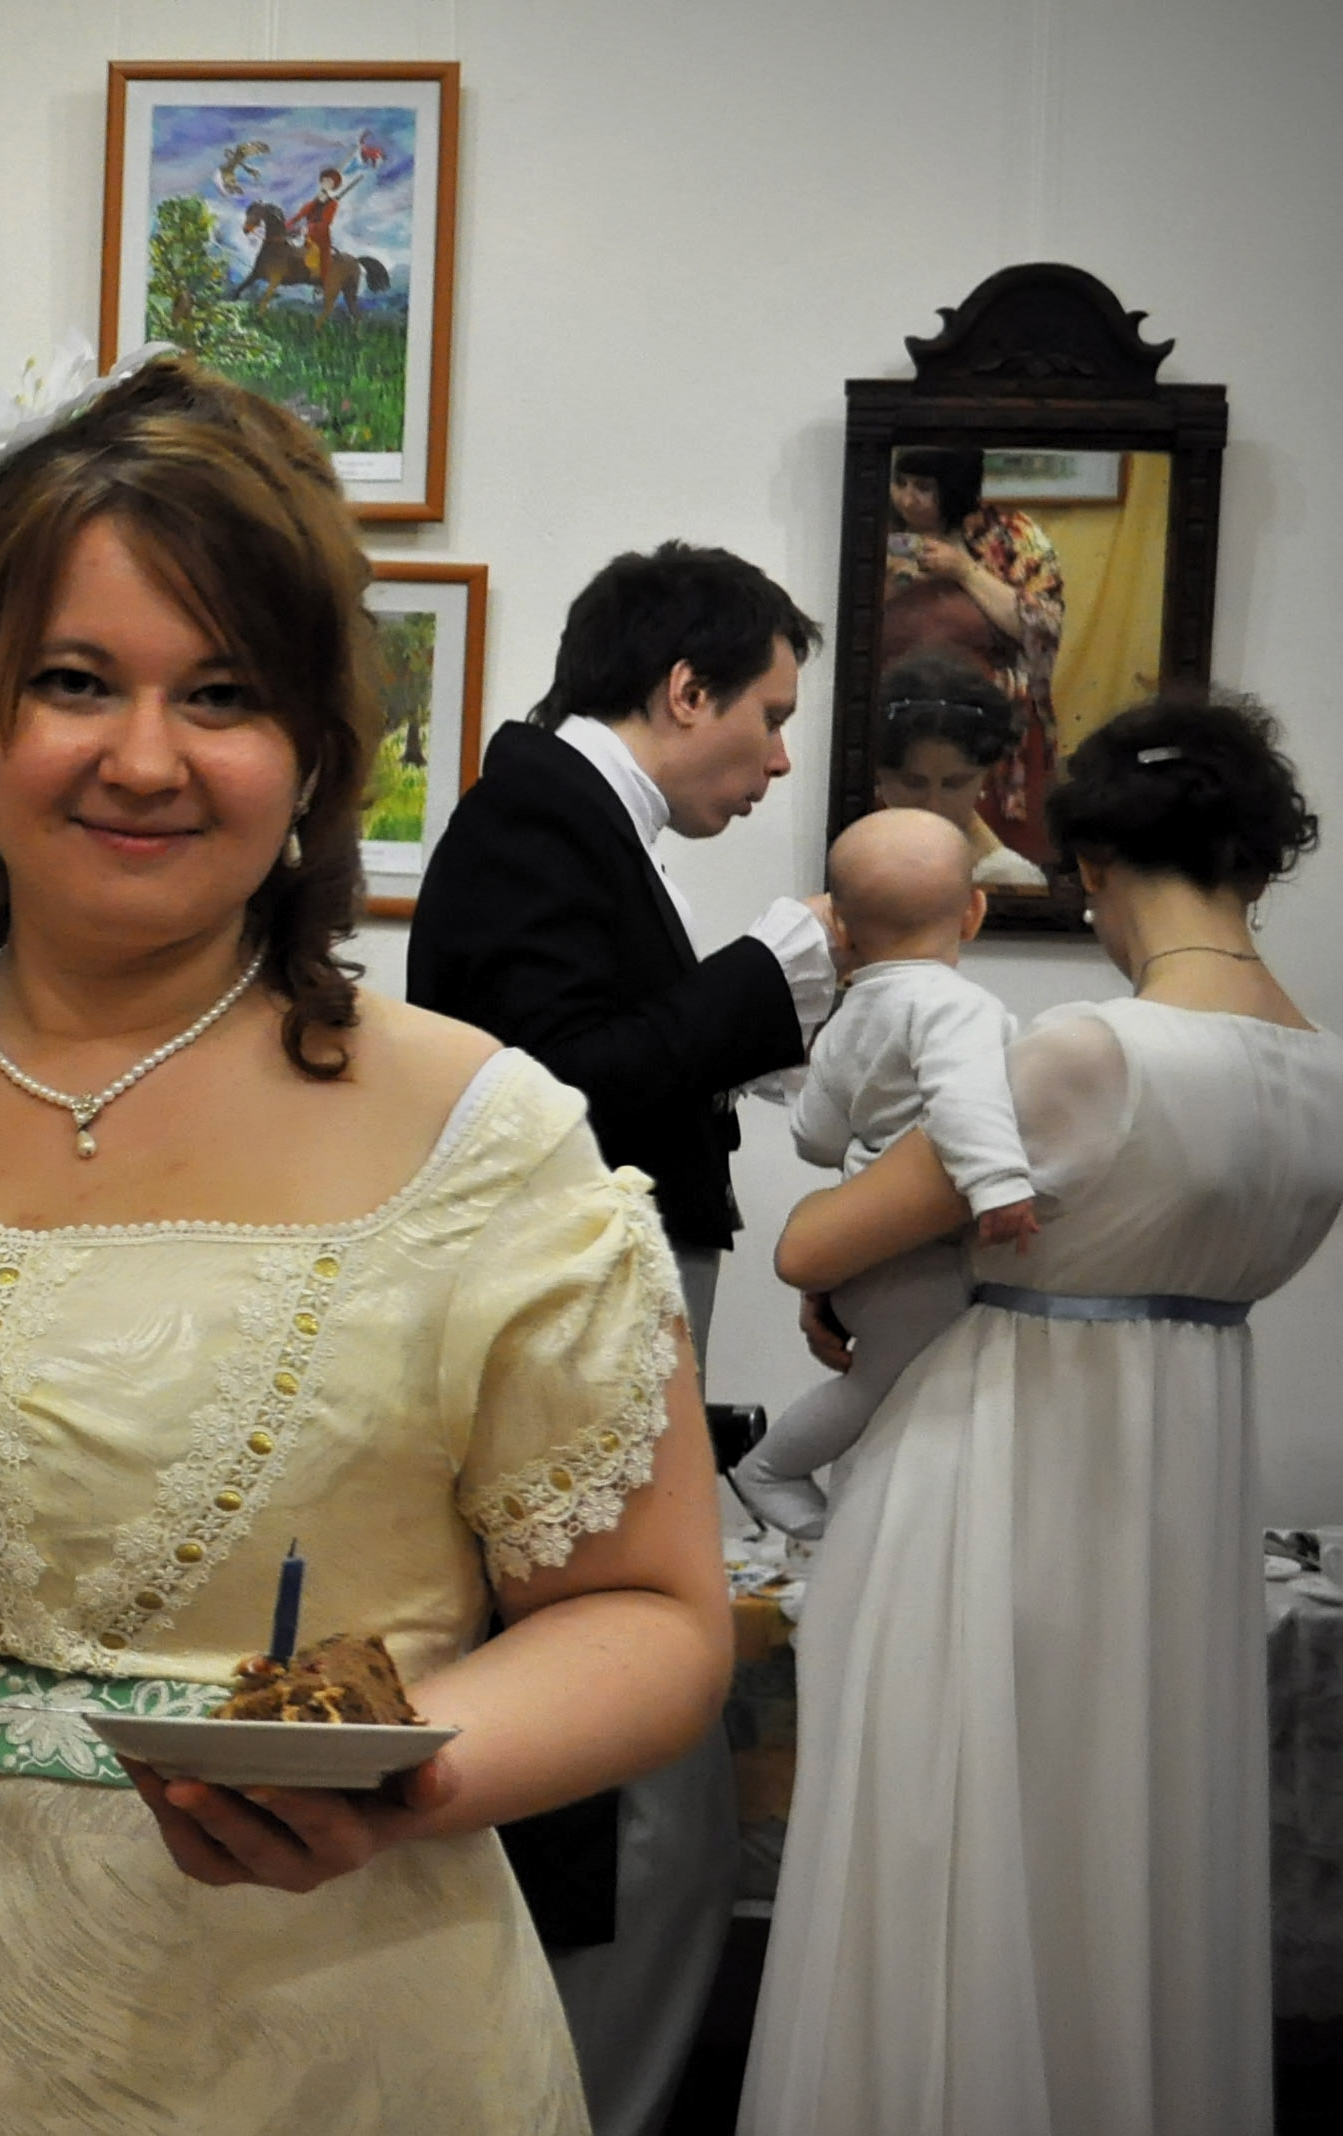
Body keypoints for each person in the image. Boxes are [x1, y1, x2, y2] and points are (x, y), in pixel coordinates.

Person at [0, 353, 733, 2131]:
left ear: (315, 753)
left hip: (320, 2012)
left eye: (224, 694)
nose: (144, 757)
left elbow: (650, 1615)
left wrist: (406, 1781)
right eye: (75, 682)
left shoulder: (477, 1133)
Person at [743, 693, 1342, 2135]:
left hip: (997, 1477)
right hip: (1177, 1496)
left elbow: (814, 1242)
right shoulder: (1327, 1073)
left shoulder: (1088, 1051)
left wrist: (858, 1260)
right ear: (1254, 863)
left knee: (947, 1851)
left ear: (1094, 867)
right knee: (1122, 1843)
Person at [404, 538, 835, 2136]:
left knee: (662, 1776)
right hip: (581, 1331)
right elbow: (553, 1088)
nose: (778, 759)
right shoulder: (535, 811)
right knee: (634, 1760)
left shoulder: (571, 813)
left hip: (618, 1319)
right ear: (684, 688)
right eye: (770, 717)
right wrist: (758, 987)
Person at [725, 809, 1036, 1540]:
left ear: (840, 927)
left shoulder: (846, 1019)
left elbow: (816, 1139)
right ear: (974, 912)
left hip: (865, 1252)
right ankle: (770, 1468)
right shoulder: (958, 1006)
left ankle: (872, 1516)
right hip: (912, 1255)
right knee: (885, 1387)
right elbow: (967, 1101)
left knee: (895, 1387)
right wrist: (999, 1186)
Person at [881, 445, 1065, 861]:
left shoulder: (1013, 536)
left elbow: (1042, 626)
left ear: (954, 487)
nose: (907, 499)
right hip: (895, 723)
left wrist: (964, 571)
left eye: (924, 488)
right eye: (900, 483)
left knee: (991, 860)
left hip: (991, 727)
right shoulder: (871, 528)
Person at [871, 648, 1050, 888]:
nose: (933, 806)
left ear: (986, 773)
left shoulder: (1006, 879)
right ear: (879, 774)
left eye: (954, 784)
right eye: (912, 783)